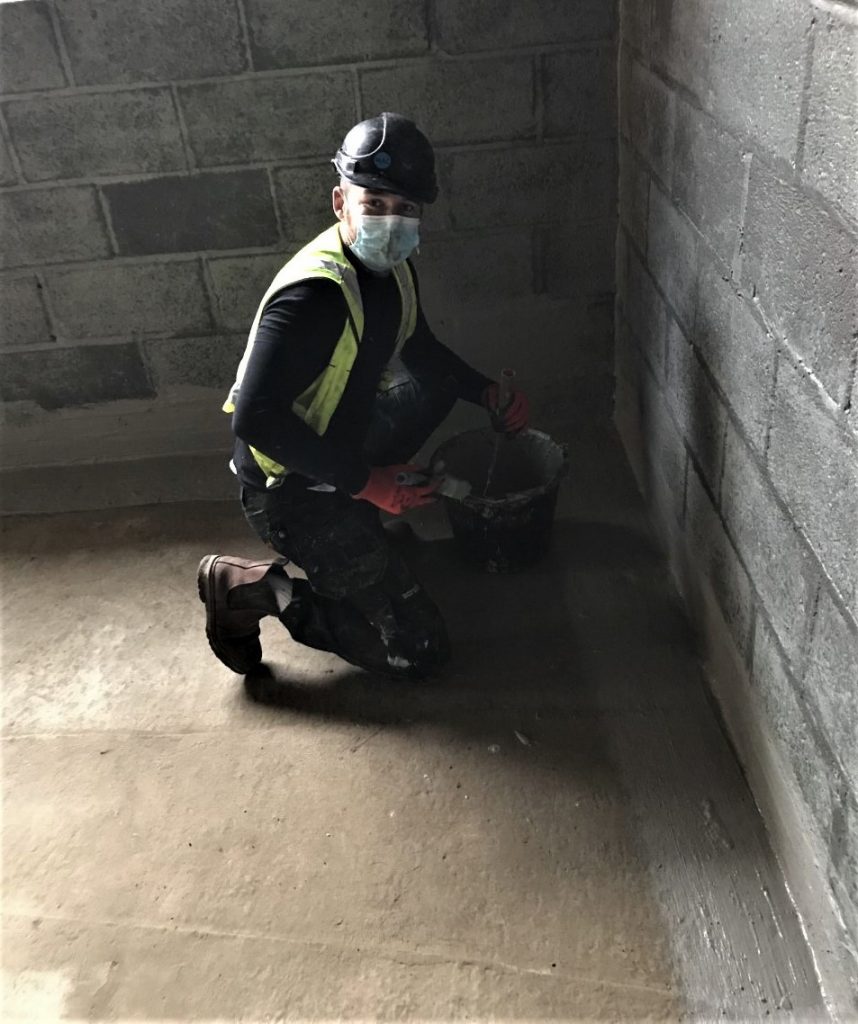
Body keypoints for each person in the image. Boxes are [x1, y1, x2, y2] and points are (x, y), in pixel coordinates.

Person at [197, 112, 529, 681]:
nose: (391, 222)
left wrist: (486, 391)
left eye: (405, 209)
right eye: (373, 204)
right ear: (339, 202)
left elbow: (421, 350)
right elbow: (254, 416)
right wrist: (368, 482)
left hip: (341, 443)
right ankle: (250, 588)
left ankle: (356, 515)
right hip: (289, 487)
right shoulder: (313, 298)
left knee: (436, 388)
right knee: (417, 646)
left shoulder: (394, 268)